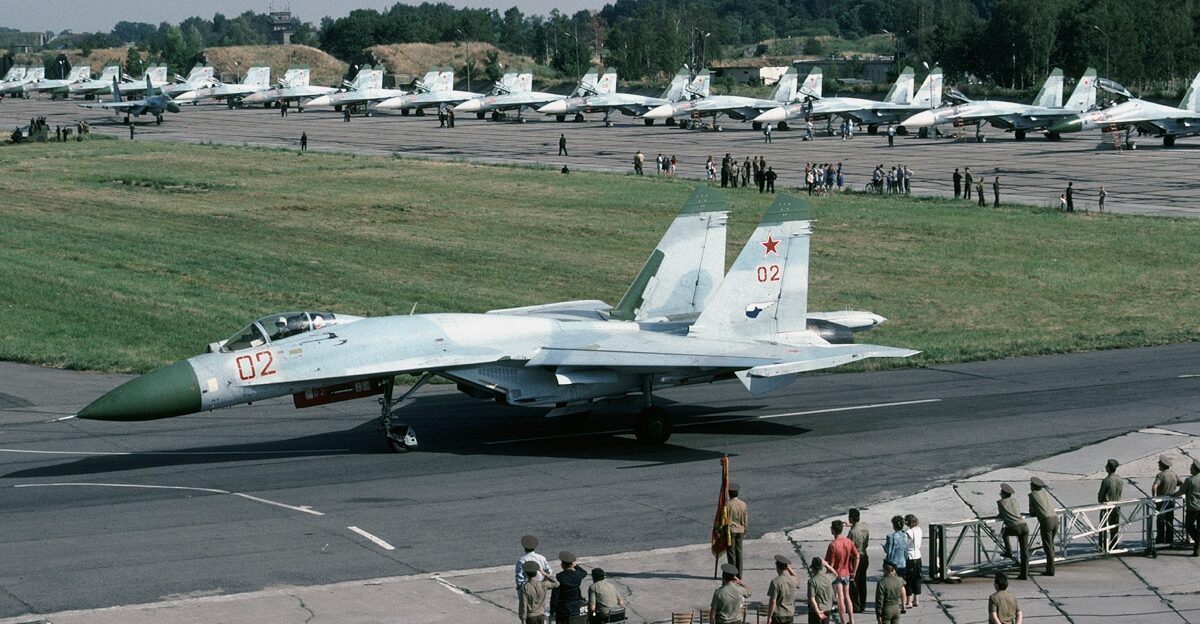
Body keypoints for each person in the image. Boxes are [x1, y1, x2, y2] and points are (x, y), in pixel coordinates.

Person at [825, 520, 859, 624]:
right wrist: (854, 571)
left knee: (840, 598)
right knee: (847, 596)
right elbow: (857, 556)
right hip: (847, 572)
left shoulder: (833, 545)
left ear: (833, 530)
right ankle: (851, 620)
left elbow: (830, 563)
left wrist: (828, 574)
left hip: (837, 573)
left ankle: (843, 621)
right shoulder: (848, 541)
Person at [998, 483, 1029, 580]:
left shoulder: (1001, 502)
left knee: (1004, 532)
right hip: (1024, 526)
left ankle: (1008, 551)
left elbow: (1001, 515)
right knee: (1024, 552)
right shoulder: (1015, 501)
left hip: (1015, 527)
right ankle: (1024, 574)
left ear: (1002, 494)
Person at [1028, 477, 1058, 576]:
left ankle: (1050, 570)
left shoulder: (1032, 495)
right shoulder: (1044, 493)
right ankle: (1051, 566)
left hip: (1046, 521)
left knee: (1048, 547)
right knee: (1051, 545)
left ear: (1033, 486)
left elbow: (1032, 512)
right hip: (1055, 519)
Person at [551, 551, 588, 624]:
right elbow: (584, 572)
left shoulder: (560, 577)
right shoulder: (577, 575)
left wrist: (552, 610)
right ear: (571, 564)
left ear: (562, 565)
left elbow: (555, 596)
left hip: (563, 607)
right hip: (575, 605)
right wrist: (575, 565)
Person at [719, 482, 748, 576]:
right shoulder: (743, 504)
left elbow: (723, 520)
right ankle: (739, 574)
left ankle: (732, 574)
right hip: (741, 530)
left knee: (731, 554)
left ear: (729, 493)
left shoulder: (728, 505)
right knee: (739, 552)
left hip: (730, 531)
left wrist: (719, 530)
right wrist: (745, 529)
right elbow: (745, 518)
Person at [518, 560, 560, 624]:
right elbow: (556, 583)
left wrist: (523, 619)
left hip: (531, 617)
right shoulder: (543, 584)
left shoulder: (525, 588)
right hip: (541, 615)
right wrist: (545, 574)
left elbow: (523, 605)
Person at [516, 535, 553, 602]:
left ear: (524, 548)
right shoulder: (541, 558)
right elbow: (549, 572)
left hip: (528, 587)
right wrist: (544, 581)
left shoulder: (522, 560)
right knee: (540, 606)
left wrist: (520, 589)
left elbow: (519, 577)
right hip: (540, 586)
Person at [1175, 458, 1200, 557]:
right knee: (1199, 528)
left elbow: (1180, 492)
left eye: (1191, 467)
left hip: (1193, 508)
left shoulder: (1190, 480)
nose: (1190, 468)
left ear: (1195, 469)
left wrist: (1172, 495)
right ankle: (1197, 547)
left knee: (1189, 526)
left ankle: (1198, 543)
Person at [1153, 455, 1179, 546]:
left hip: (1161, 502)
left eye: (1159, 464)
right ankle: (1169, 540)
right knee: (1169, 521)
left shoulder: (1160, 475)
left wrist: (1154, 498)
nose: (1158, 465)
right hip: (1171, 501)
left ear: (1162, 465)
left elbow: (1154, 487)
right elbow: (1182, 484)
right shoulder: (1173, 474)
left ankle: (1160, 540)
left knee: (1160, 521)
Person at [1098, 458, 1124, 551]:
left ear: (1108, 468)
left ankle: (1103, 546)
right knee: (1114, 526)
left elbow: (1100, 496)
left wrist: (1101, 500)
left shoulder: (1106, 481)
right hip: (1117, 506)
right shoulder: (1120, 480)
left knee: (1103, 527)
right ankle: (1114, 545)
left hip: (1106, 506)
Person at [847, 509, 870, 614]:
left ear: (851, 518)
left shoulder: (852, 532)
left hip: (856, 558)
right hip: (864, 555)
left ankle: (856, 605)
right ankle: (863, 604)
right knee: (862, 582)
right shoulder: (864, 527)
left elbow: (850, 547)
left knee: (854, 582)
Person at [767, 554, 798, 624]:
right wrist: (789, 568)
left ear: (777, 567)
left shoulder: (775, 581)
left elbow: (773, 601)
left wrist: (769, 616)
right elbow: (797, 578)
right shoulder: (793, 579)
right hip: (790, 613)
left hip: (779, 614)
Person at [807, 557, 835, 624]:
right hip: (827, 608)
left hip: (816, 611)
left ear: (813, 568)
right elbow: (835, 574)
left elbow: (812, 599)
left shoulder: (812, 581)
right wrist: (826, 564)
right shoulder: (828, 577)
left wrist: (818, 612)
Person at [902, 515, 922, 608]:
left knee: (908, 579)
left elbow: (906, 543)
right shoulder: (919, 529)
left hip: (909, 557)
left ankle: (909, 601)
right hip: (918, 555)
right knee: (917, 578)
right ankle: (916, 599)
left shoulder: (909, 532)